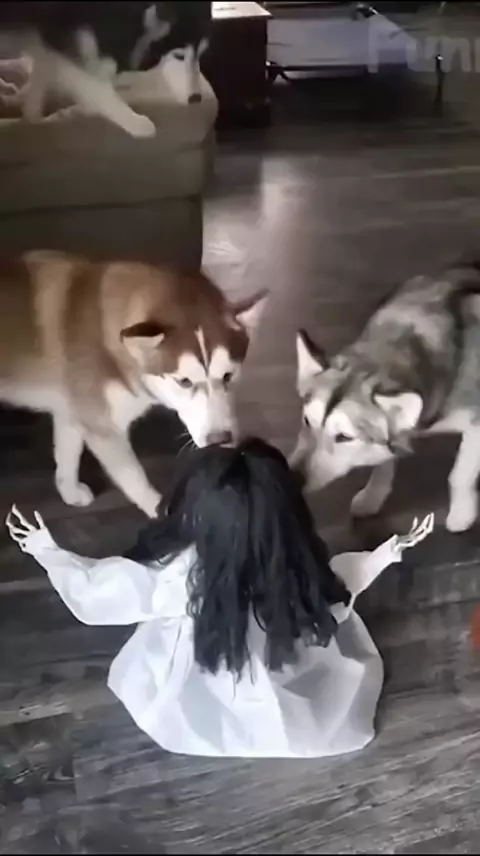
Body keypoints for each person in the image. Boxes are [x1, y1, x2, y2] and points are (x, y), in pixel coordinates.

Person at [6, 438, 433, 759]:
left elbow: (107, 592)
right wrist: (384, 555)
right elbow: (335, 586)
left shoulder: (180, 576)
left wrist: (50, 553)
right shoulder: (287, 566)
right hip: (274, 657)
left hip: (201, 662)